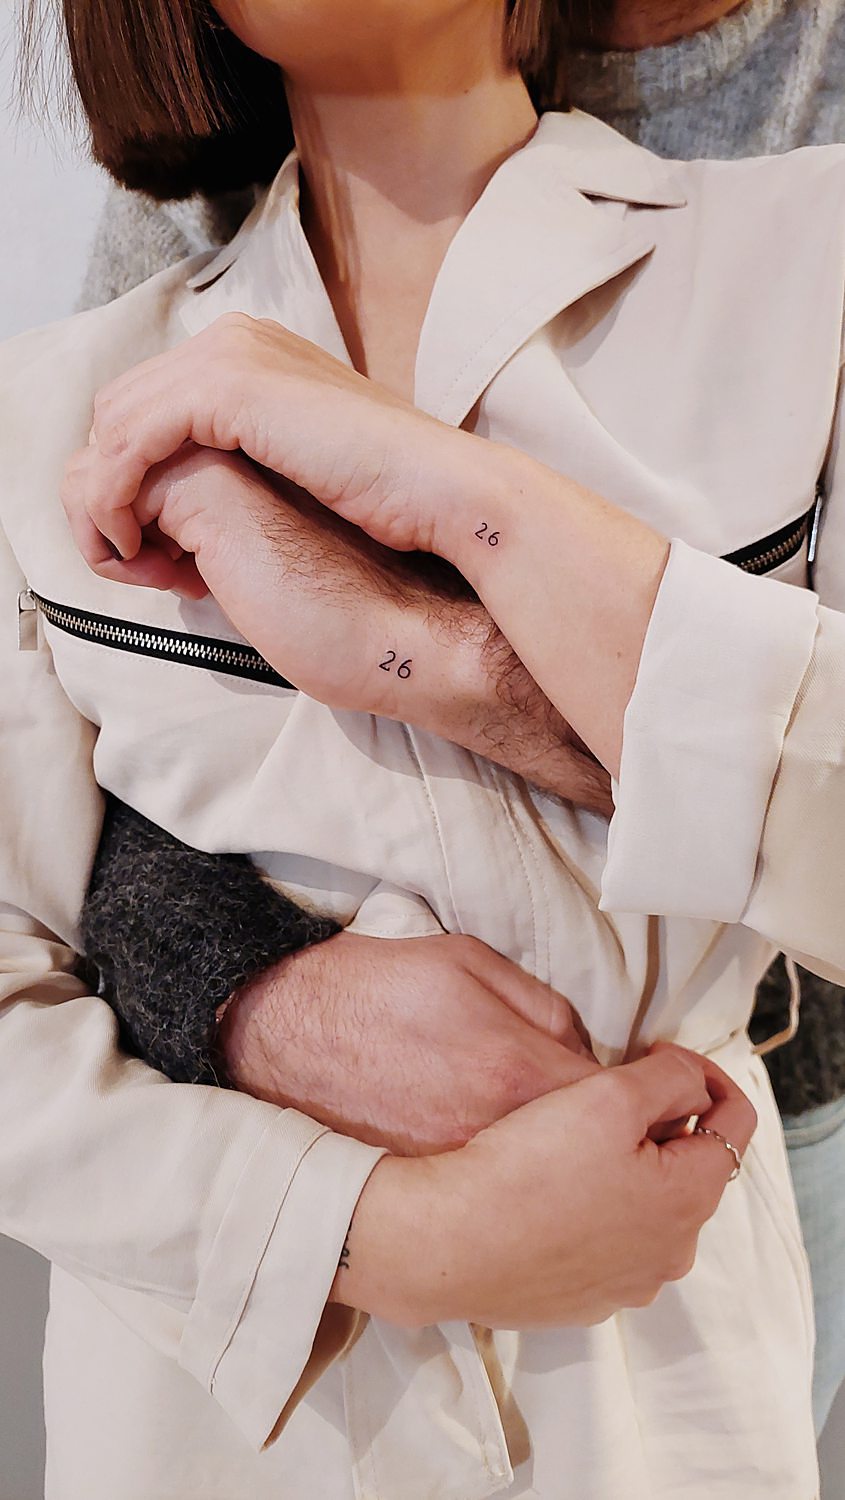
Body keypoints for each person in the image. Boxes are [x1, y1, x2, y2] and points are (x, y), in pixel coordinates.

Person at [2, 2, 839, 1496]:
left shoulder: (807, 269)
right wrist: (386, 1228)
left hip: (664, 1355)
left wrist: (458, 522)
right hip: (212, 1398)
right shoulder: (56, 407)